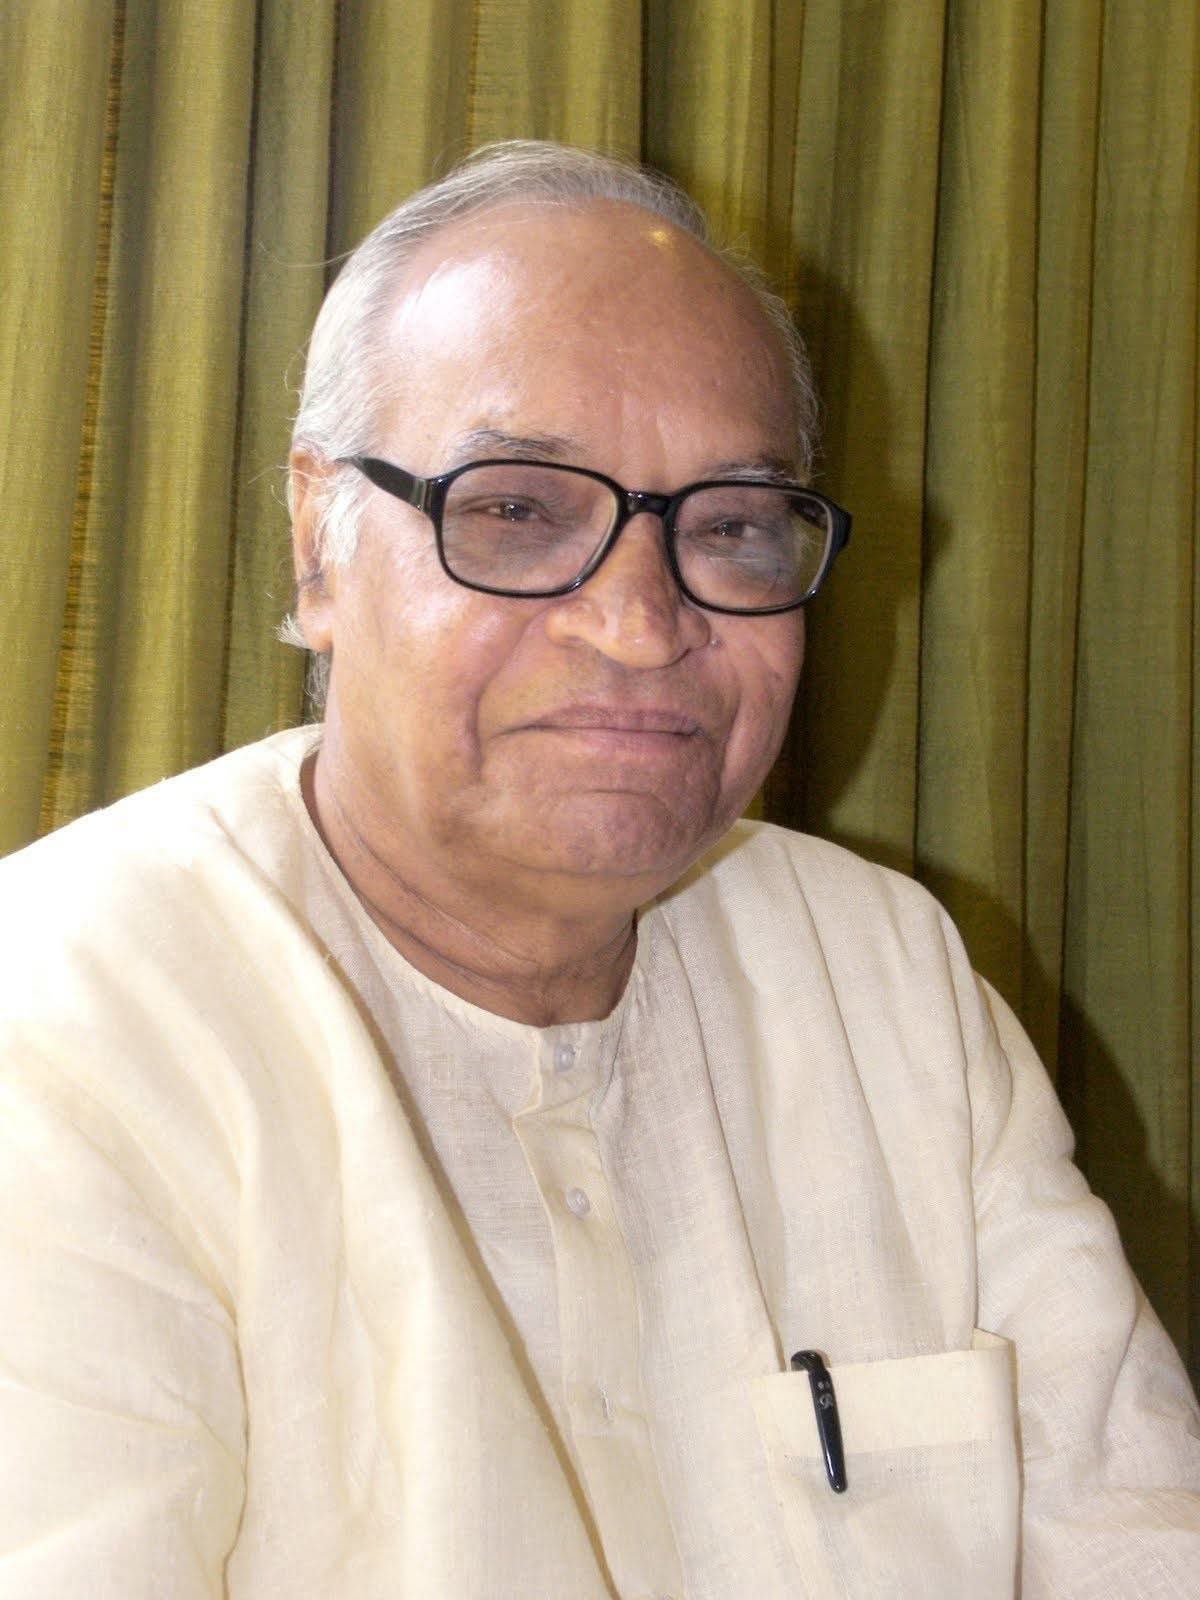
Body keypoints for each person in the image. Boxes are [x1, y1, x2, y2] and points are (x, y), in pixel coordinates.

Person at [0, 141, 1196, 1599]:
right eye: (516, 510)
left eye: (732, 526)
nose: (640, 626)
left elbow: (1139, 1537)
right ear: (320, 548)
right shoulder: (66, 1024)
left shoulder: (886, 970)